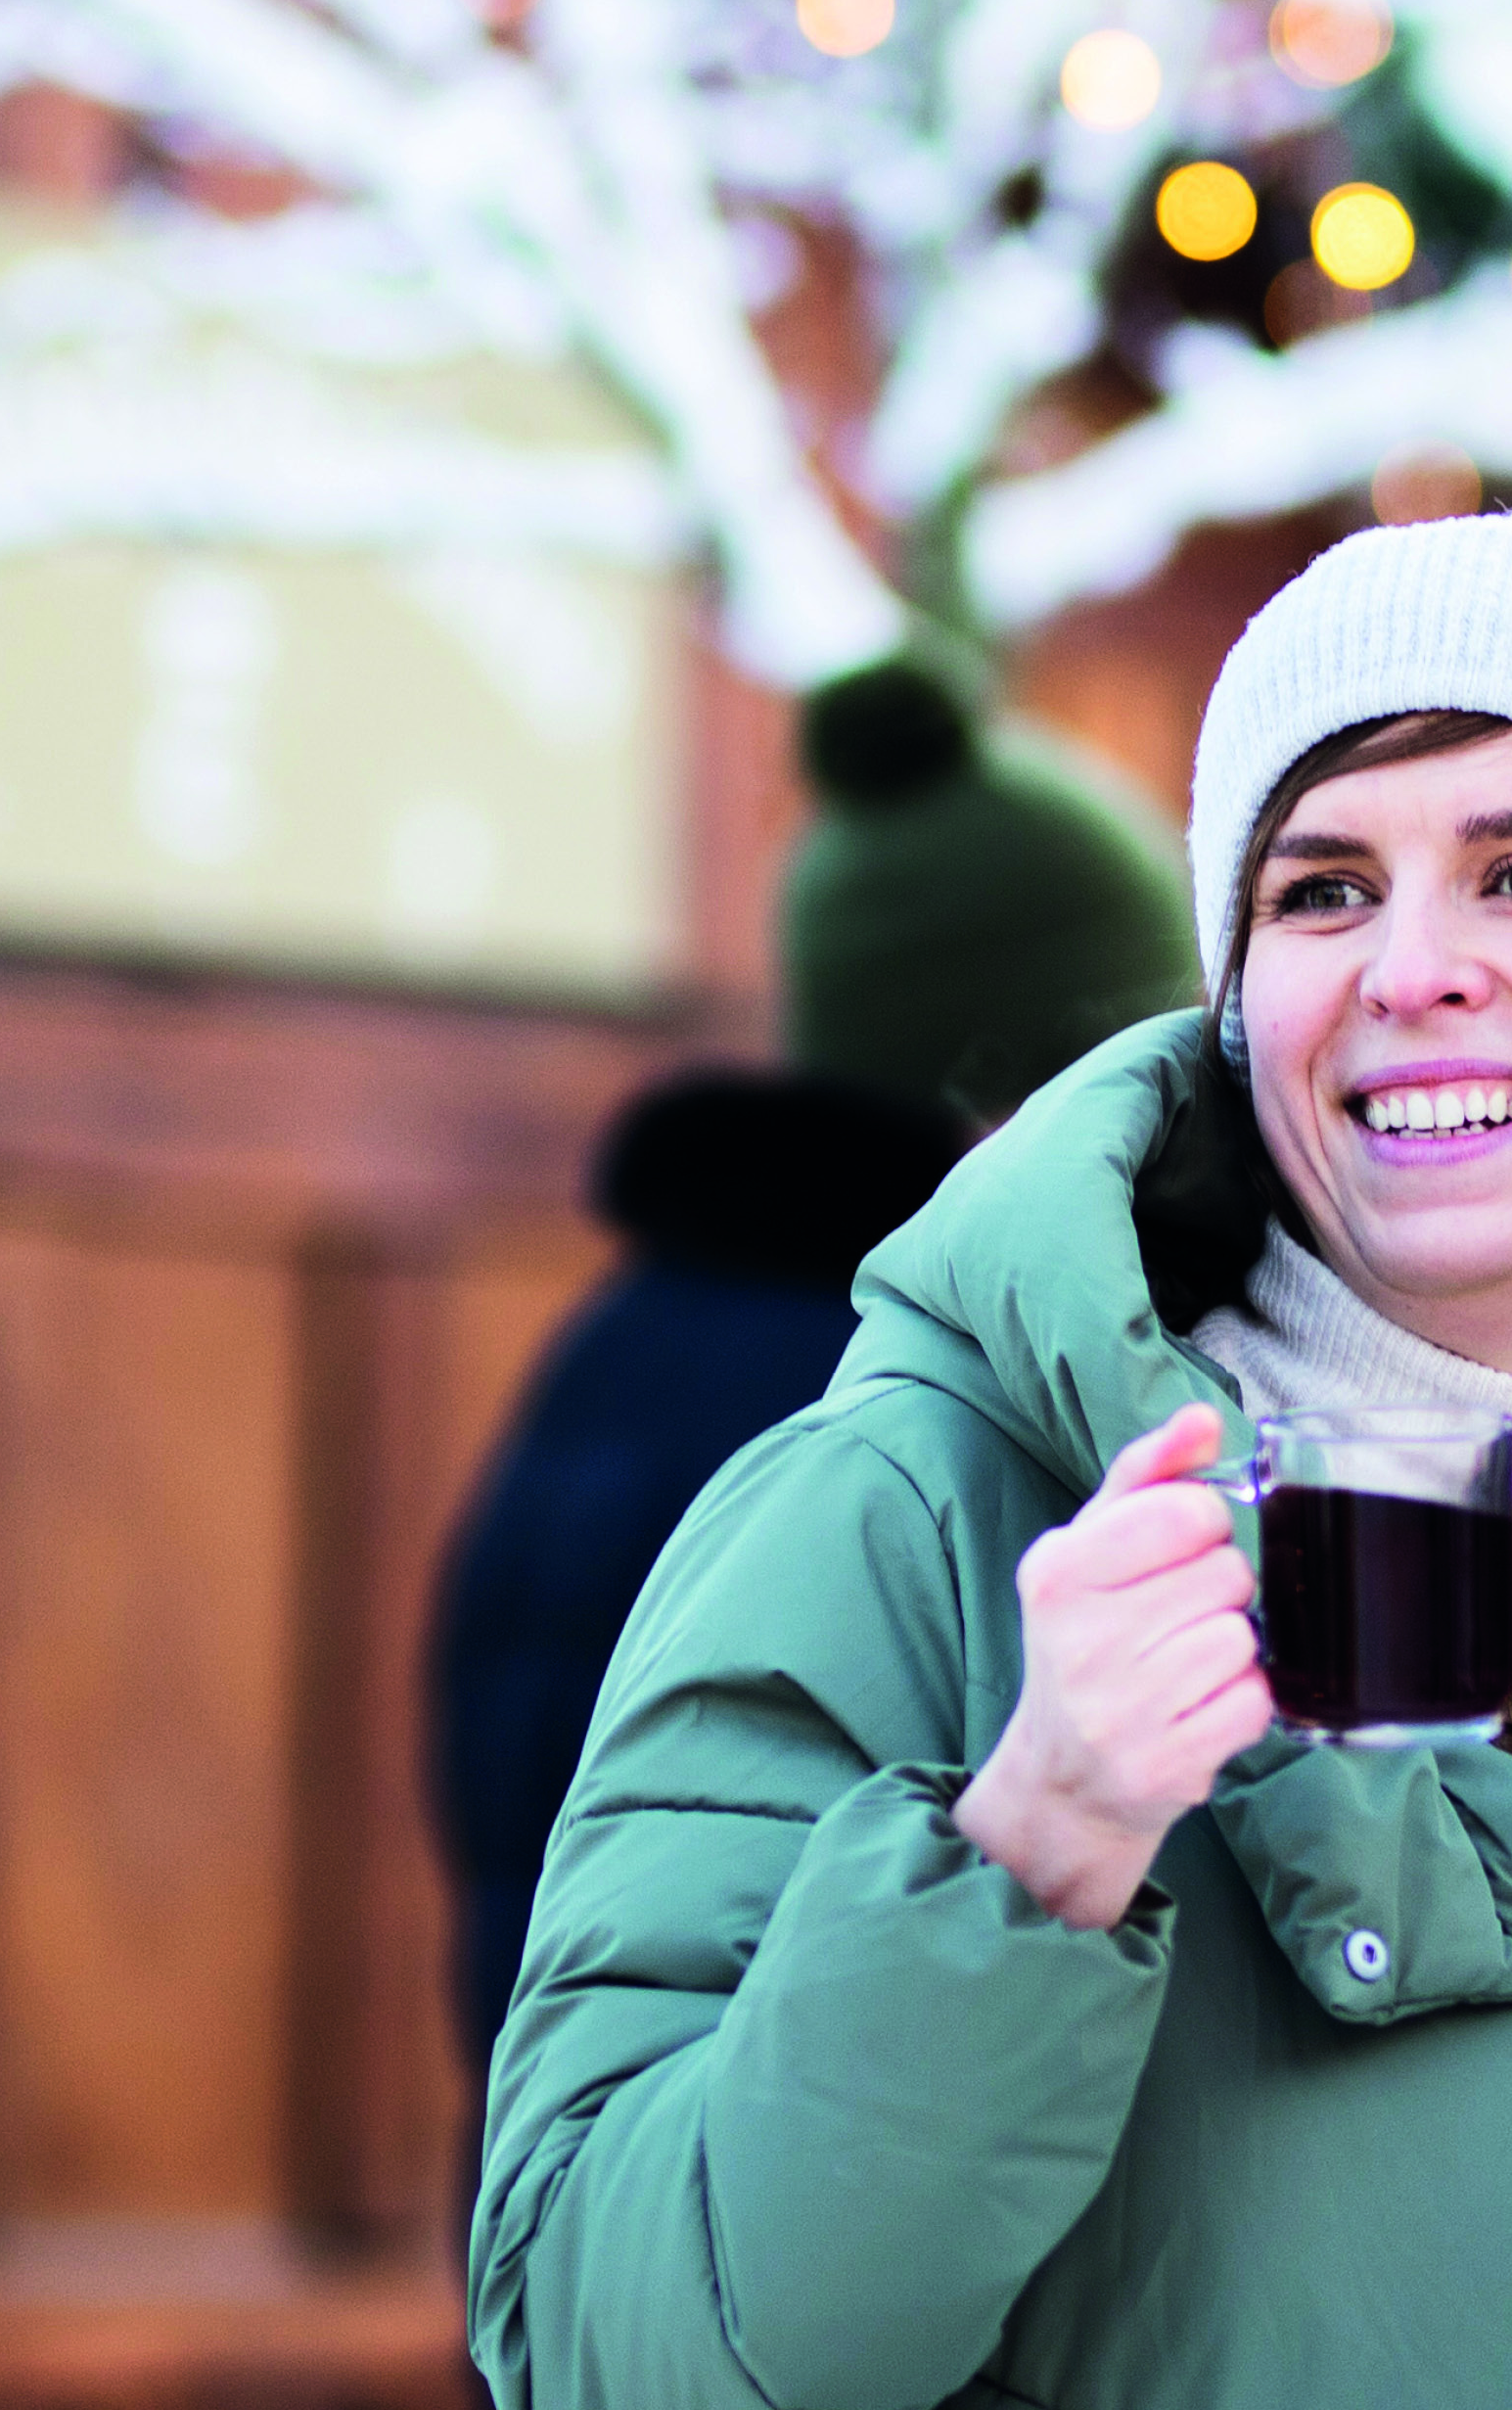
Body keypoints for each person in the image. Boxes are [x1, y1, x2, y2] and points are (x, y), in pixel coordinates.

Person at [471, 512, 1512, 2408]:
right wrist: (1027, 1851)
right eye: (1317, 892)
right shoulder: (922, 1510)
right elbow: (603, 2354)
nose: (1407, 969)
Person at [427, 660, 1196, 2071]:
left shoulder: (646, 1337)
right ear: (1002, 1095)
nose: (1162, 1137)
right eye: (1124, 1075)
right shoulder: (866, 1407)